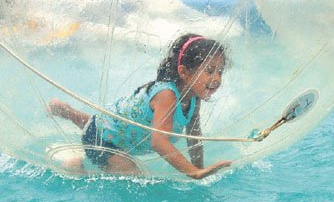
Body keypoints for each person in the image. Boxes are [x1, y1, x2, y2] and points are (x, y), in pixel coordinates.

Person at [48, 33, 232, 179]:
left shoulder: (193, 97)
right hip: (103, 141)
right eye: (209, 71)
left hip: (111, 128)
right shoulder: (167, 95)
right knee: (133, 176)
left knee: (109, 125)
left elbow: (193, 134)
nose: (216, 79)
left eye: (220, 72)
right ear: (184, 72)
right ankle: (75, 167)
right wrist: (192, 172)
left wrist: (199, 168)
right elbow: (159, 142)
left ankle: (65, 111)